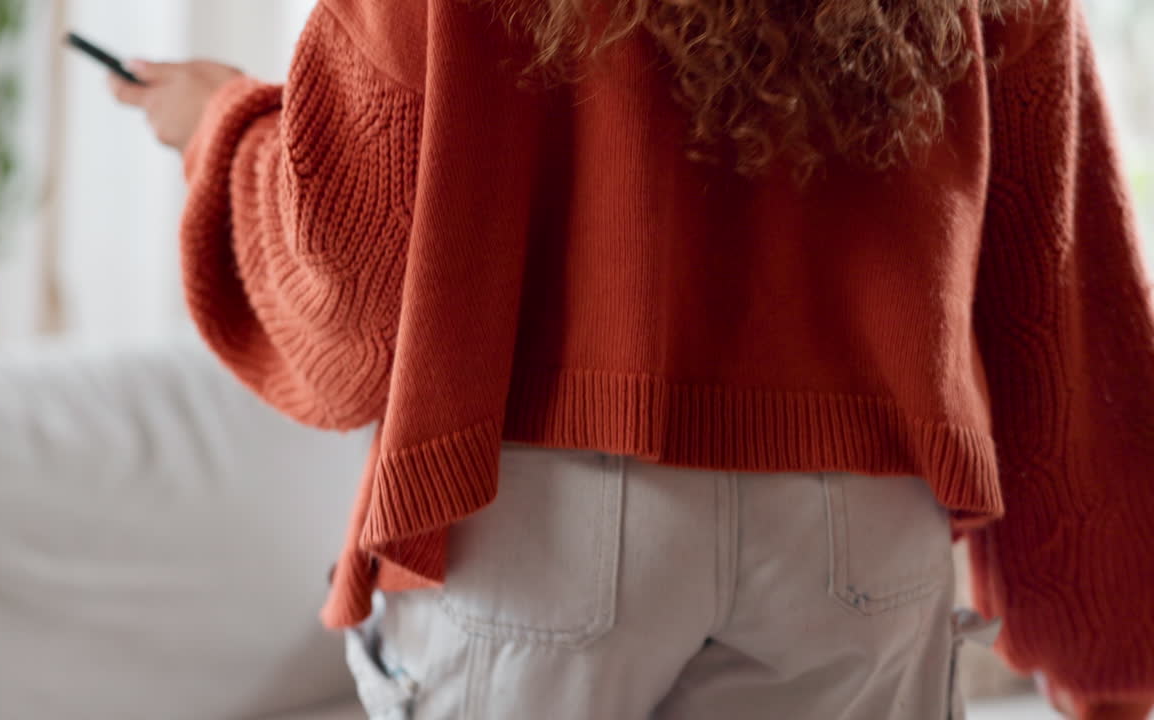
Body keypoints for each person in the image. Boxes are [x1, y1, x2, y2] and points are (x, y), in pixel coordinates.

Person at [110, 0, 1154, 717]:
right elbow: (1055, 273)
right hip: (861, 522)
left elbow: (344, 277)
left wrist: (218, 126)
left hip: (539, 517)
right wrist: (1102, 640)